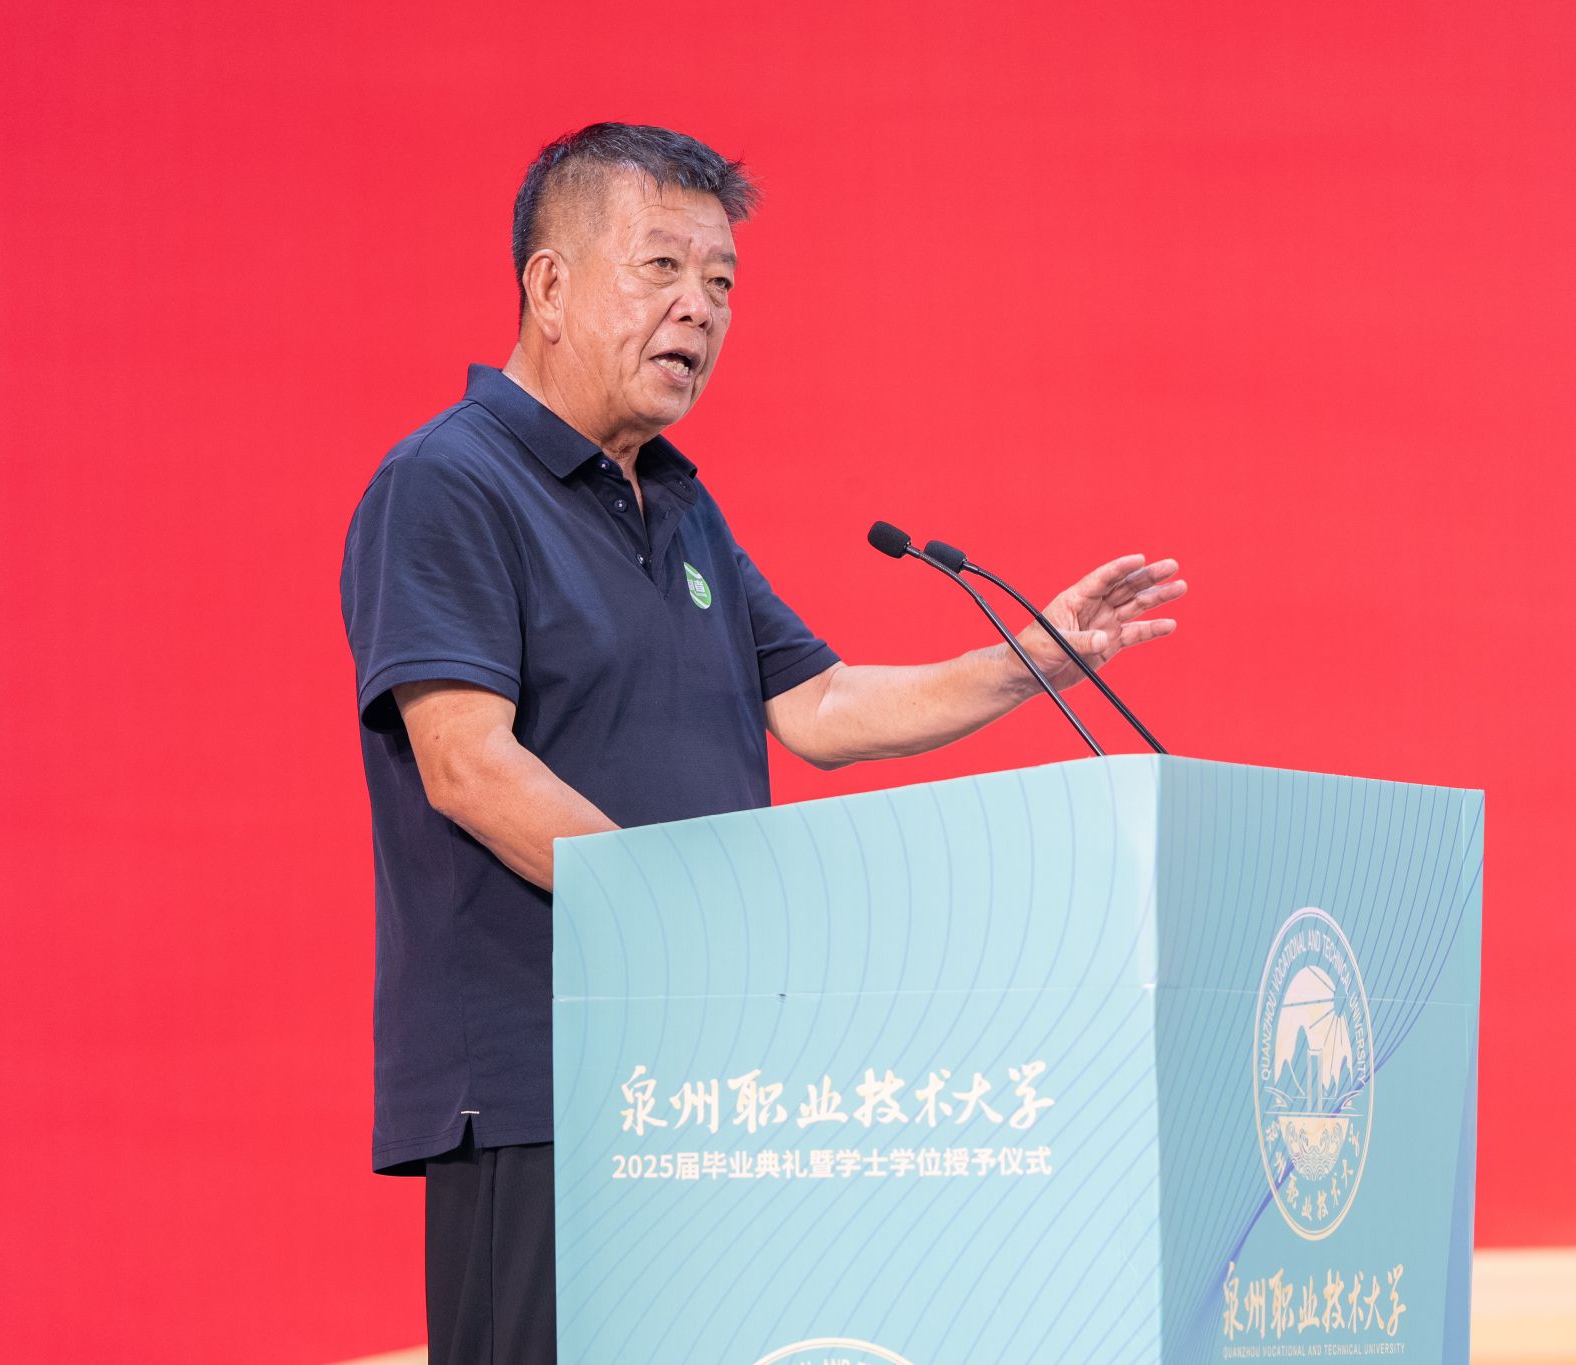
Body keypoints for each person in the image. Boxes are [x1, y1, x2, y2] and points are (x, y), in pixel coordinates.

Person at [339, 121, 1185, 1365]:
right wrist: (692, 923)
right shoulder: (448, 482)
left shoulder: (677, 502)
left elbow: (818, 708)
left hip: (701, 1079)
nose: (699, 308)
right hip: (539, 1083)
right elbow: (467, 763)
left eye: (721, 281)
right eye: (661, 268)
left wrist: (1030, 660)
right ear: (549, 286)